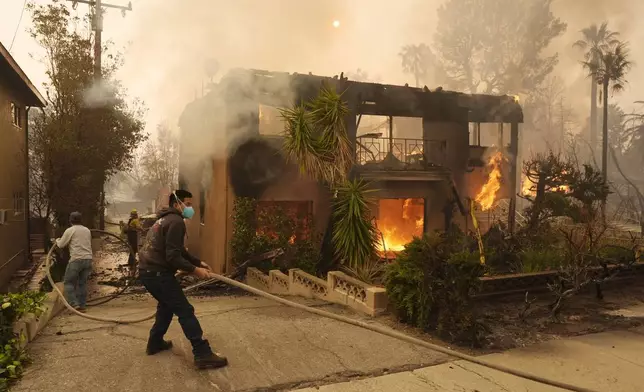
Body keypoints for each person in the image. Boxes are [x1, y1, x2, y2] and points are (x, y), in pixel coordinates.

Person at [138, 189, 228, 369]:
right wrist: (196, 270)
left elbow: (178, 250)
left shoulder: (164, 220)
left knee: (166, 306)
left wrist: (197, 262)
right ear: (176, 204)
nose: (190, 208)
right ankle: (202, 353)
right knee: (185, 310)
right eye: (187, 204)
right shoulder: (177, 221)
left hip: (148, 272)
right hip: (158, 274)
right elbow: (173, 256)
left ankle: (155, 343)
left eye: (191, 204)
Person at [56, 211, 93, 313]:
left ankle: (74, 304)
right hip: (88, 259)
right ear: (81, 220)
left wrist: (57, 240)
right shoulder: (87, 230)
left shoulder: (70, 230)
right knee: (82, 283)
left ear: (70, 220)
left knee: (68, 283)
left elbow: (61, 245)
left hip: (76, 259)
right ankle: (82, 305)